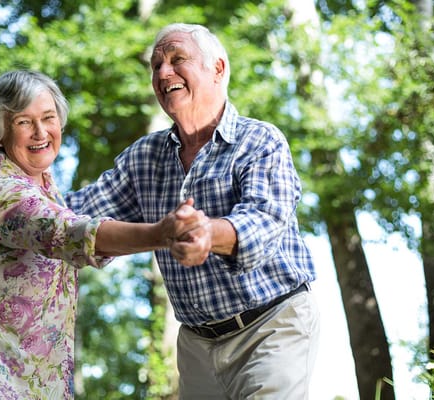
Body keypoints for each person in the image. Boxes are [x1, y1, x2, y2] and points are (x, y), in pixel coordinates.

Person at [66, 23, 320, 399]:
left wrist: (206, 233)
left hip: (272, 324)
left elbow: (263, 221)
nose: (163, 72)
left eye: (176, 59)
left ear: (217, 68)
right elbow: (75, 215)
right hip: (196, 343)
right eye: (156, 65)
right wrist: (13, 197)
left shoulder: (259, 140)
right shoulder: (143, 158)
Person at [0, 70, 206, 400]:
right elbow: (71, 232)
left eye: (48, 118)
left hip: (24, 371)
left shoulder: (43, 184)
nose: (41, 132)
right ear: (0, 132)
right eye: (24, 122)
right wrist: (161, 234)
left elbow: (84, 217)